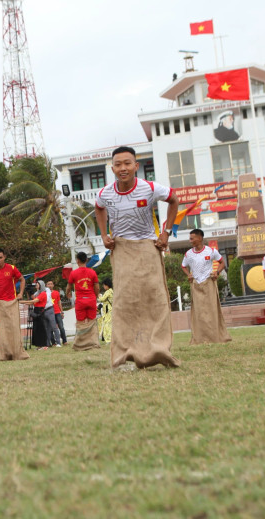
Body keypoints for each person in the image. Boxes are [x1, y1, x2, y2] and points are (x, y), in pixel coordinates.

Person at [94, 145, 181, 368]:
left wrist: (166, 232)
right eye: (118, 164)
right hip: (121, 249)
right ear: (112, 168)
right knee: (123, 301)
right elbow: (99, 208)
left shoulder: (150, 188)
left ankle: (159, 349)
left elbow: (174, 199)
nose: (123, 168)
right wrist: (104, 235)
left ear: (136, 166)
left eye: (127, 163)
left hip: (147, 247)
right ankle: (124, 354)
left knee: (155, 299)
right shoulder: (105, 193)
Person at [181, 229, 232, 344]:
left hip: (209, 283)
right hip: (196, 285)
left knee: (212, 310)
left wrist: (217, 272)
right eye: (190, 238)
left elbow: (222, 263)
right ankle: (200, 338)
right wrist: (188, 274)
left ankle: (216, 337)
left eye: (192, 238)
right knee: (198, 312)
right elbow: (183, 266)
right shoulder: (188, 254)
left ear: (200, 238)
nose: (190, 241)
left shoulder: (211, 251)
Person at [0, 248, 29, 361]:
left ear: (4, 257)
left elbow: (22, 279)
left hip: (12, 302)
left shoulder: (12, 268)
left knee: (14, 328)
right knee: (1, 329)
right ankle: (3, 355)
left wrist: (21, 293)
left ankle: (18, 354)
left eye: (0, 257)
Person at [66, 251, 100, 351]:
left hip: (80, 301)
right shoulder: (92, 272)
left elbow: (69, 286)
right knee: (91, 321)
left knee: (81, 322)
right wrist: (95, 296)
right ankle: (93, 343)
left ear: (77, 261)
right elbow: (97, 287)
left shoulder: (74, 273)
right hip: (91, 299)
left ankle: (80, 345)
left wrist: (67, 293)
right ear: (86, 260)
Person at [24, 280, 62, 349]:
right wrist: (29, 291)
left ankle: (58, 343)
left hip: (49, 309)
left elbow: (36, 299)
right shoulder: (38, 292)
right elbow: (33, 298)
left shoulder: (46, 290)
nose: (36, 286)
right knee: (46, 328)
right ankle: (47, 344)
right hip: (43, 310)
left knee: (54, 327)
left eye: (37, 284)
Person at [46, 281, 67, 345]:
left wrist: (62, 312)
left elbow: (59, 302)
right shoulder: (45, 294)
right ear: (46, 285)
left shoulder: (56, 292)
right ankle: (53, 342)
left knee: (61, 327)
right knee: (51, 328)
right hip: (49, 313)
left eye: (51, 284)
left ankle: (64, 341)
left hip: (57, 312)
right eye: (48, 284)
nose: (50, 285)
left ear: (53, 285)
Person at [97, 278, 113, 344]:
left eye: (104, 285)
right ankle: (108, 339)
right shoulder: (111, 291)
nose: (103, 286)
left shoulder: (108, 292)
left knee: (107, 325)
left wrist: (98, 296)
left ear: (107, 285)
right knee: (108, 324)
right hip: (109, 310)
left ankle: (108, 340)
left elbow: (102, 299)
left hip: (108, 310)